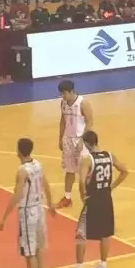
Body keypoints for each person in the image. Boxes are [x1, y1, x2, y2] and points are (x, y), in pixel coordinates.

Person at [64, 130, 128, 268]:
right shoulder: (109, 156)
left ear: (87, 144)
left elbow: (81, 182)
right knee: (105, 234)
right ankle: (102, 267)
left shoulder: (87, 160)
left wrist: (83, 196)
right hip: (106, 198)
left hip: (93, 199)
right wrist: (111, 187)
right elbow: (124, 172)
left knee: (81, 233)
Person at [0, 138, 55, 268]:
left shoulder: (22, 171)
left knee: (29, 253)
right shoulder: (38, 165)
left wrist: (3, 217)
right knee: (38, 247)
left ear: (18, 152)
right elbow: (45, 184)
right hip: (40, 209)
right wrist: (50, 203)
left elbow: (17, 195)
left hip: (28, 212)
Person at [56, 80, 93, 208]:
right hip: (68, 139)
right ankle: (67, 198)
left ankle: (89, 198)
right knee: (69, 169)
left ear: (71, 91)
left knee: (85, 170)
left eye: (64, 93)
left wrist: (83, 140)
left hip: (80, 140)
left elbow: (90, 122)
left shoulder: (83, 102)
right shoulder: (63, 103)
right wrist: (60, 138)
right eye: (61, 94)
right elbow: (62, 121)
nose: (62, 96)